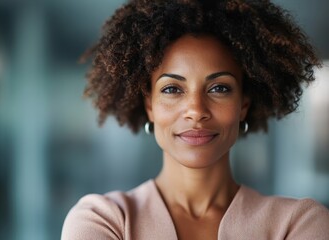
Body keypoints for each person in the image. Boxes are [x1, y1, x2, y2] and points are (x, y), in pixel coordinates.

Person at [62, 0, 329, 239]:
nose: (196, 110)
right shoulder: (102, 221)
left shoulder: (299, 224)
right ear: (150, 105)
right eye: (172, 89)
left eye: (219, 88)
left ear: (243, 105)